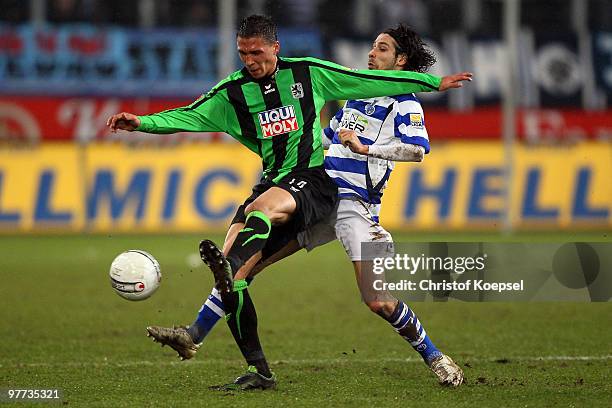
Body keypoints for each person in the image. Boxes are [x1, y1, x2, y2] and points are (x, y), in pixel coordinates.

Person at [107, 15, 472, 390]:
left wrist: (368, 145)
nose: (371, 52)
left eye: (382, 48)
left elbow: (417, 149)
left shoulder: (404, 103)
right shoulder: (348, 103)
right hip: (315, 193)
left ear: (400, 62)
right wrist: (146, 124)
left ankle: (435, 356)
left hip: (354, 206)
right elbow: (323, 137)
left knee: (377, 300)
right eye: (242, 53)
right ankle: (200, 336)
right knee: (239, 273)